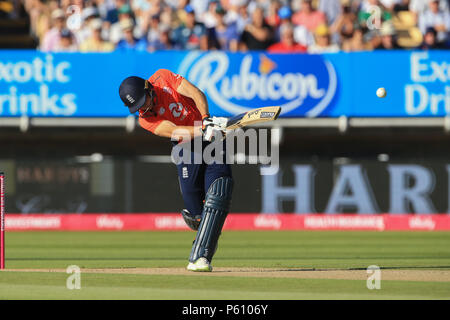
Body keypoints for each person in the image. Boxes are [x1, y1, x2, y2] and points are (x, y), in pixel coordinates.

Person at [118, 70, 233, 272]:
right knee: (198, 217)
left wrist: (206, 119)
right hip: (186, 148)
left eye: (143, 101)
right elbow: (174, 131)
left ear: (148, 88)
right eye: (137, 107)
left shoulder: (163, 78)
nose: (143, 108)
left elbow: (196, 93)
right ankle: (204, 228)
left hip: (210, 139)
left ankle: (200, 256)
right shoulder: (145, 120)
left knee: (220, 190)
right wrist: (203, 131)